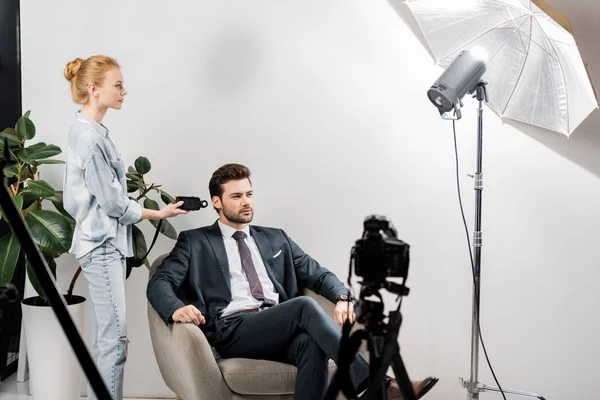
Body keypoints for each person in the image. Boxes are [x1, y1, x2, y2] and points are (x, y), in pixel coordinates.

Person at [147, 163, 438, 400]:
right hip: (233, 331)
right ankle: (378, 384)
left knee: (311, 344)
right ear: (216, 202)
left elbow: (318, 274)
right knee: (303, 307)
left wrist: (343, 297)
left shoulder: (276, 238)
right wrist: (175, 308)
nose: (246, 202)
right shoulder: (195, 242)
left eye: (249, 194)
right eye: (236, 196)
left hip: (279, 327)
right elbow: (159, 282)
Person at [63, 55, 188, 400]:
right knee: (114, 341)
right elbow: (114, 204)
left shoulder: (91, 132)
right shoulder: (89, 139)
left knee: (109, 339)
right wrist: (157, 214)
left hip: (105, 244)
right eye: (117, 85)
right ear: (93, 89)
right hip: (101, 245)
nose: (124, 91)